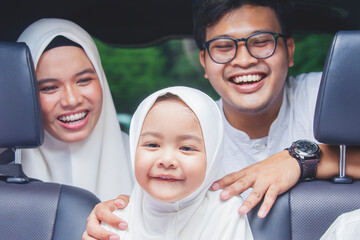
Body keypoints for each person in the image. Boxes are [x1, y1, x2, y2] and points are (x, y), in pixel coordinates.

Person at [83, 0, 360, 239]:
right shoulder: (191, 130)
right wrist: (122, 218)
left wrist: (303, 161)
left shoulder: (329, 96)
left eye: (261, 42)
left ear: (289, 50)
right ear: (204, 61)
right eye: (224, 46)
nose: (243, 59)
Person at [101, 86, 253, 239]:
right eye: (152, 145)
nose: (166, 160)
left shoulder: (226, 212)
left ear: (213, 157)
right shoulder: (117, 218)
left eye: (186, 148)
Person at [17, 18, 134, 201]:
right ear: (25, 92)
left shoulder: (147, 163)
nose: (71, 100)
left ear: (101, 79)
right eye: (49, 87)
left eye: (84, 80)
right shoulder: (6, 172)